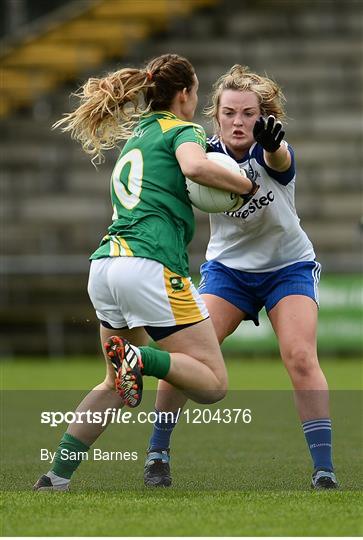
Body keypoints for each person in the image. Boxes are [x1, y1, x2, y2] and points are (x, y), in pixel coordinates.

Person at [33, 55, 257, 491]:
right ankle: (143, 359)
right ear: (185, 94)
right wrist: (245, 185)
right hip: (149, 265)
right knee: (212, 384)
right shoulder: (182, 130)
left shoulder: (139, 136)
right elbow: (194, 167)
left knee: (114, 383)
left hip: (105, 267)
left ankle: (55, 477)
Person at [143, 65, 338, 490]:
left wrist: (274, 148)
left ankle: (324, 470)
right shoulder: (202, 155)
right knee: (189, 354)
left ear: (261, 115)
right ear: (215, 115)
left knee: (301, 358)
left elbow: (280, 161)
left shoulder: (274, 148)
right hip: (228, 273)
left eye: (248, 113)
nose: (238, 122)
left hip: (288, 268)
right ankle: (157, 453)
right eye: (229, 112)